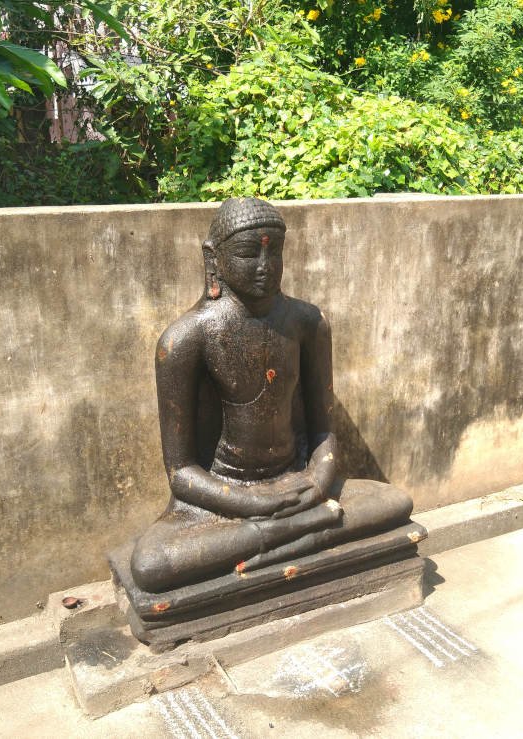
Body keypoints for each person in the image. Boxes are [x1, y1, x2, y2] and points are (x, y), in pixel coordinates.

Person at [131, 198, 413, 593]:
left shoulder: (307, 323)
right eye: (248, 253)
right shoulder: (185, 339)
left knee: (394, 502)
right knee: (152, 564)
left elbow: (323, 433)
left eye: (274, 251)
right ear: (214, 258)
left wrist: (316, 481)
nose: (265, 267)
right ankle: (303, 531)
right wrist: (255, 504)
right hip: (224, 498)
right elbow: (181, 474)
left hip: (299, 483)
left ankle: (275, 539)